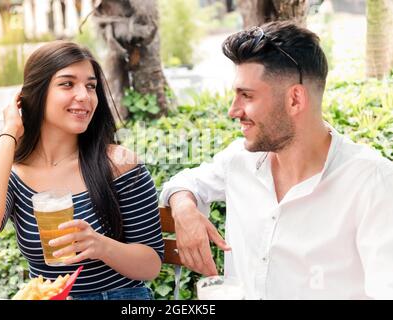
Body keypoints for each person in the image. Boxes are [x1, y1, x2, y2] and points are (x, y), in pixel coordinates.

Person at [160, 21, 393, 299]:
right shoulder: (240, 160)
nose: (233, 111)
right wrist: (184, 207)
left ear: (295, 99)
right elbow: (185, 182)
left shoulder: (372, 182)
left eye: (246, 95)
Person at [0, 41, 164, 300]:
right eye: (67, 84)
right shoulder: (15, 174)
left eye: (90, 86)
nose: (84, 96)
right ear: (35, 94)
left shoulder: (120, 164)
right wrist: (10, 131)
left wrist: (100, 245)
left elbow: (151, 265)